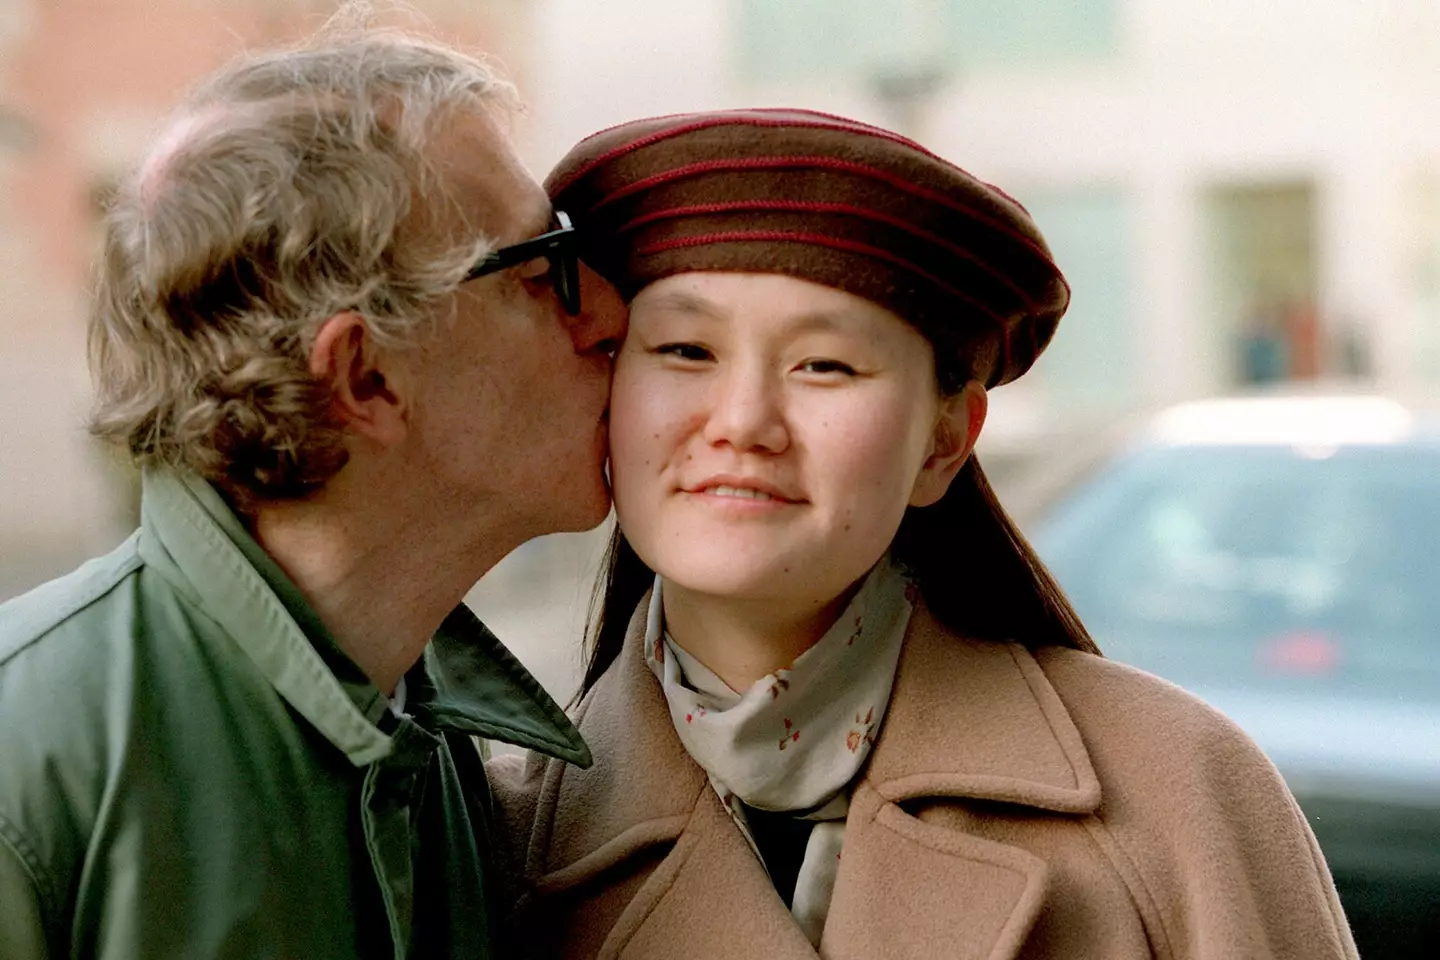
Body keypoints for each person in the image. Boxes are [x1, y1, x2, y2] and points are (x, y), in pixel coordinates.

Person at [488, 109, 1358, 959]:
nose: (744, 422)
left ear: (946, 440)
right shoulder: (497, 845)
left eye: (823, 365)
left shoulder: (1178, 791)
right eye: (684, 351)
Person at [0, 21, 626, 960]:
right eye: (540, 272)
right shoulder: (25, 762)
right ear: (367, 379)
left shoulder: (431, 741)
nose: (608, 313)